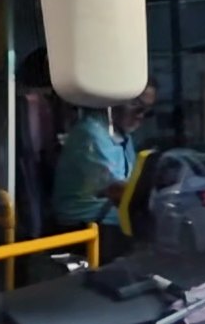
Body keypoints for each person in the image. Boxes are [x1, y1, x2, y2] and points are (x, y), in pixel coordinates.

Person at [52, 80, 157, 262]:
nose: (141, 116)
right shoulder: (91, 134)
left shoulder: (122, 134)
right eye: (137, 106)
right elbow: (118, 191)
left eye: (148, 111)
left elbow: (131, 182)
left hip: (110, 220)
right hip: (84, 227)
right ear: (114, 101)